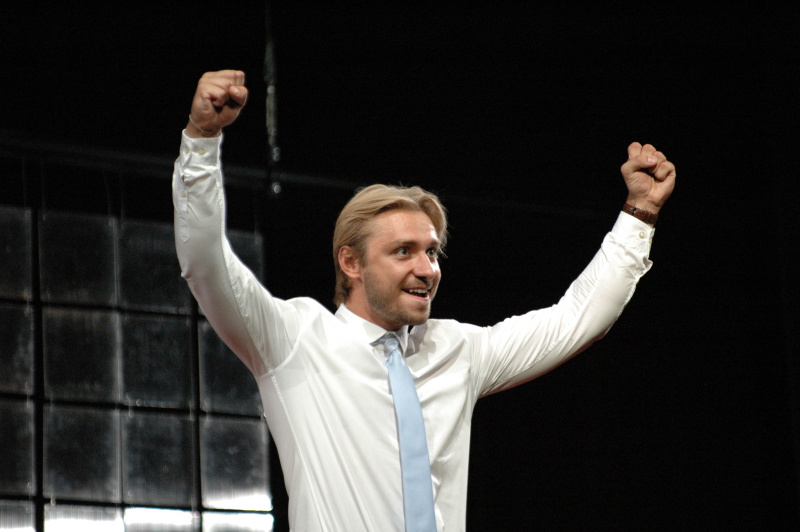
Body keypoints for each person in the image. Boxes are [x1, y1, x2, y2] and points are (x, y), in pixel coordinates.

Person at [173, 70, 676, 532]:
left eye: (432, 252)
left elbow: (577, 319)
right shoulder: (294, 339)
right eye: (403, 252)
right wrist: (202, 140)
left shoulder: (458, 350)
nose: (427, 269)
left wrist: (640, 212)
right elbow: (205, 263)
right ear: (351, 263)